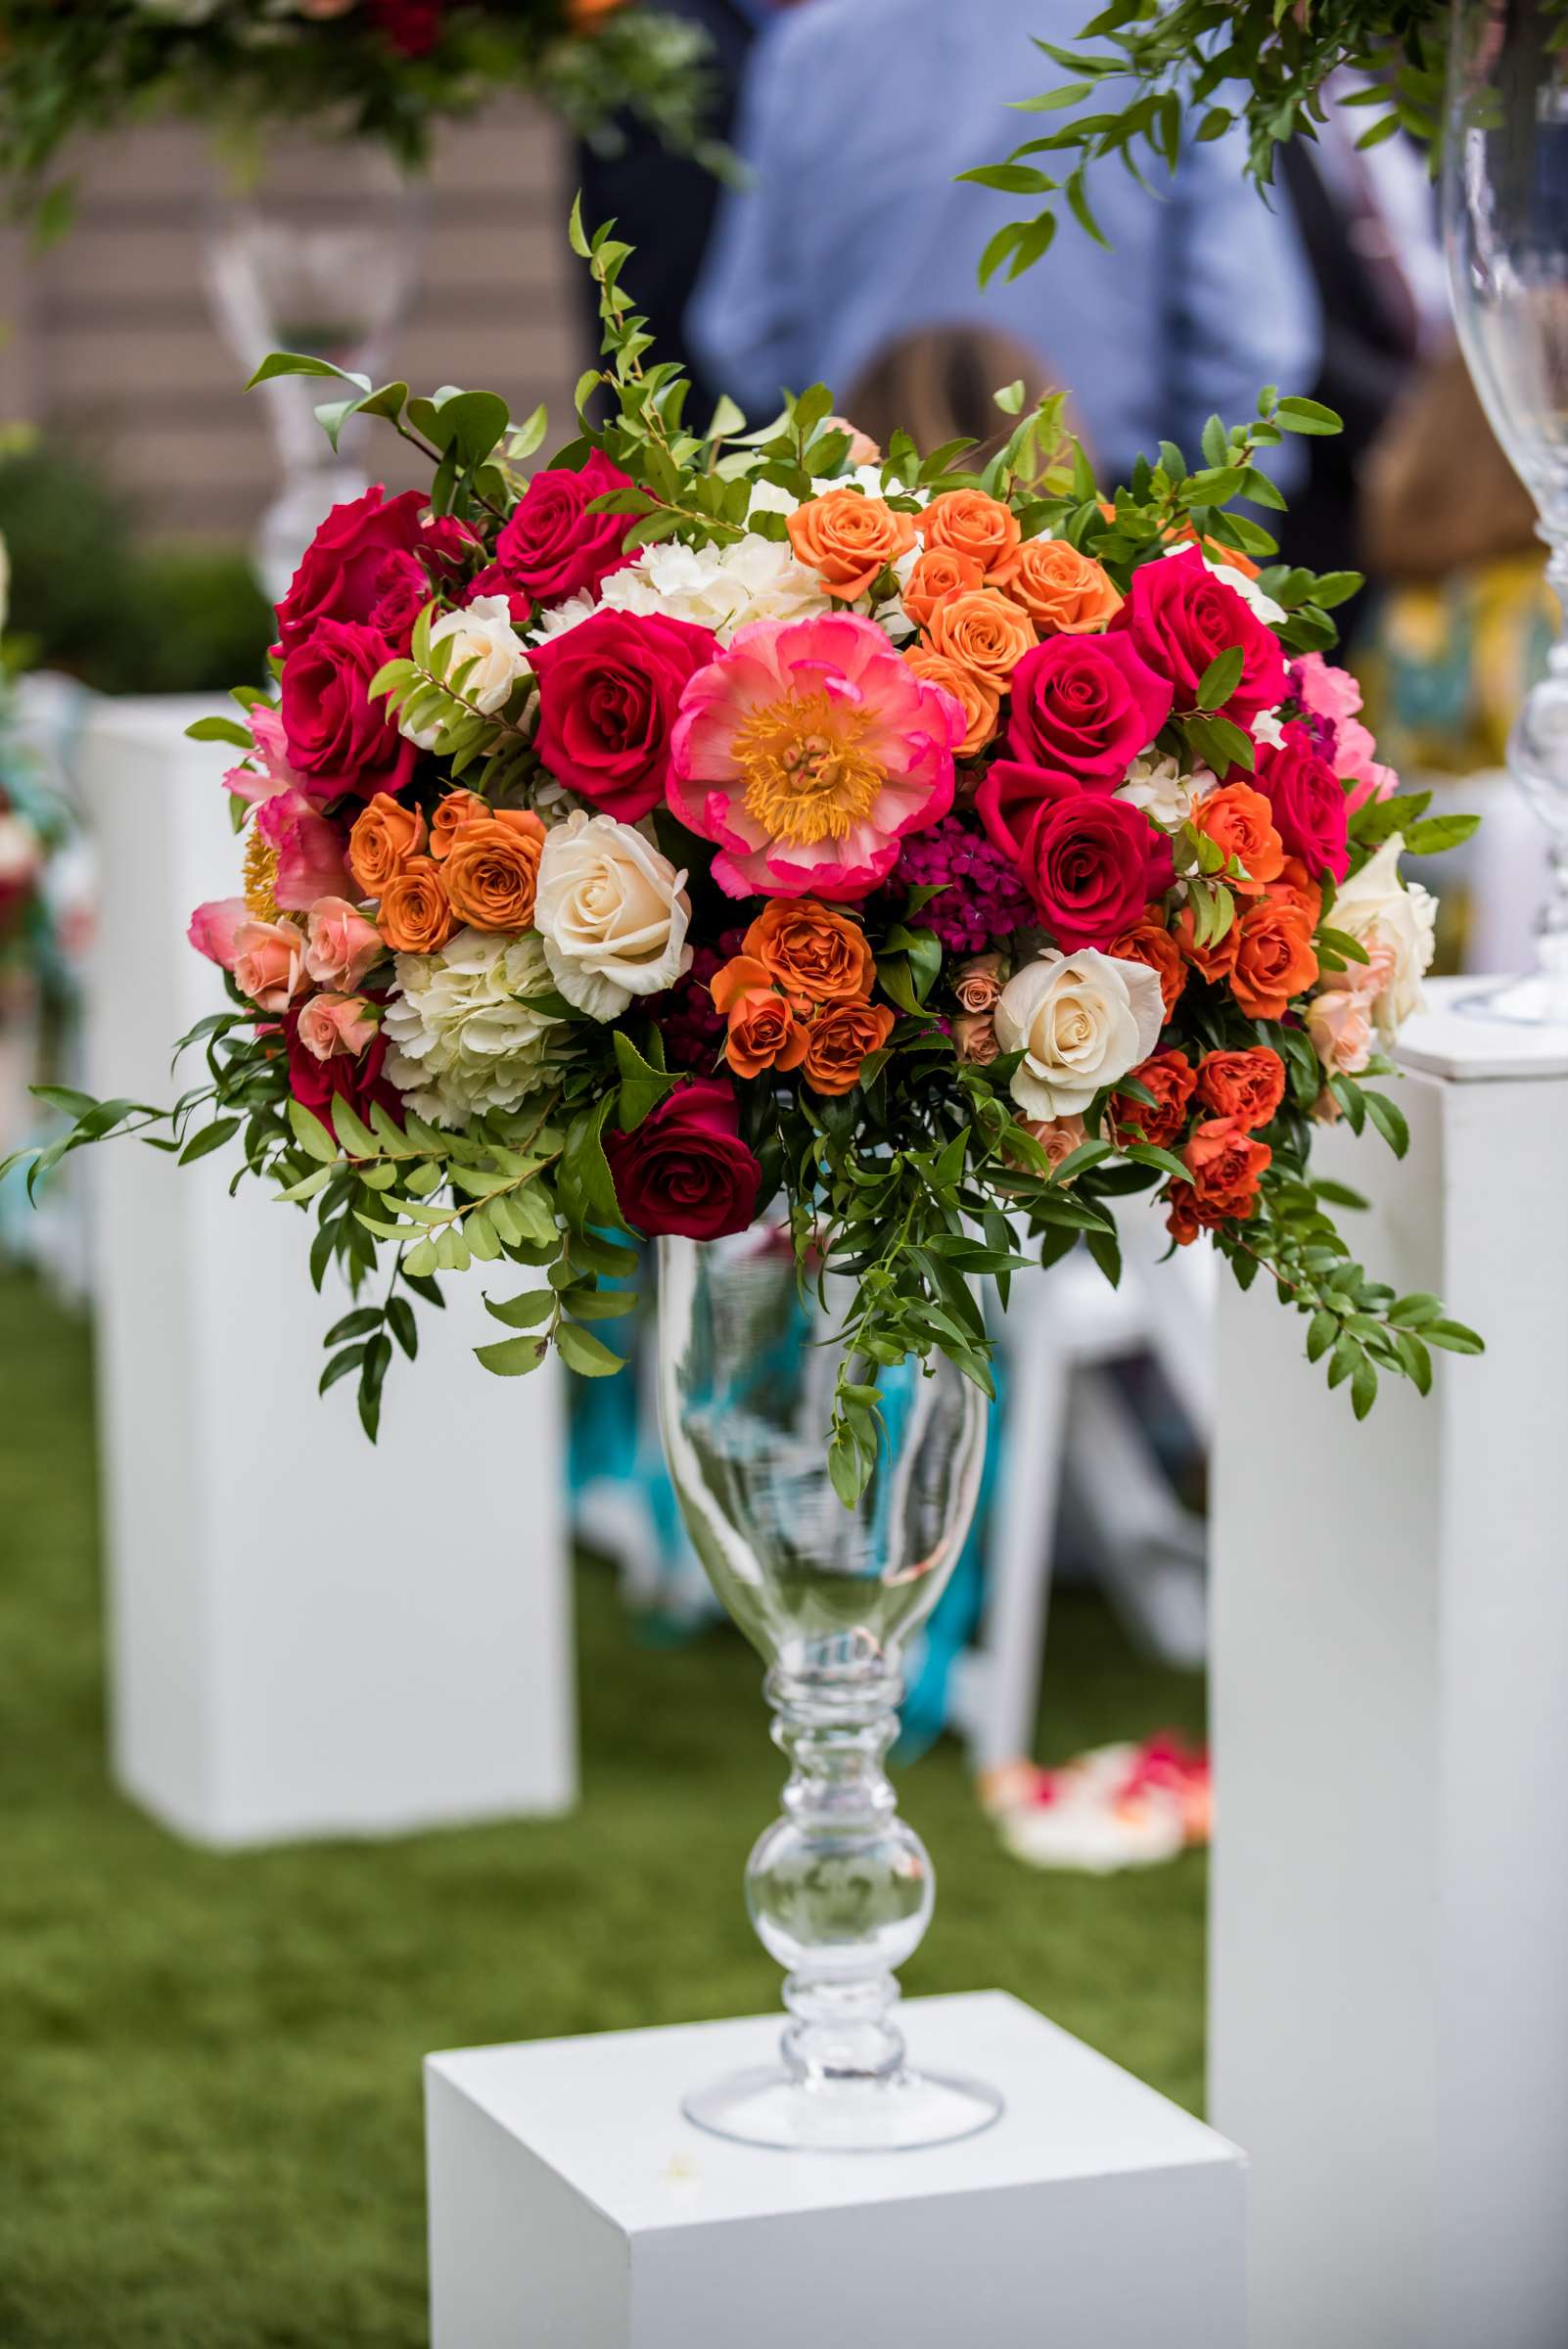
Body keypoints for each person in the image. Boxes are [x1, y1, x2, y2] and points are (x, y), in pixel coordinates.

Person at [687, 0, 1319, 491]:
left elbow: (743, 335)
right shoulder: (1164, 45)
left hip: (862, 543)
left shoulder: (811, 50)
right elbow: (1250, 342)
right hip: (1108, 532)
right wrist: (1202, 542)